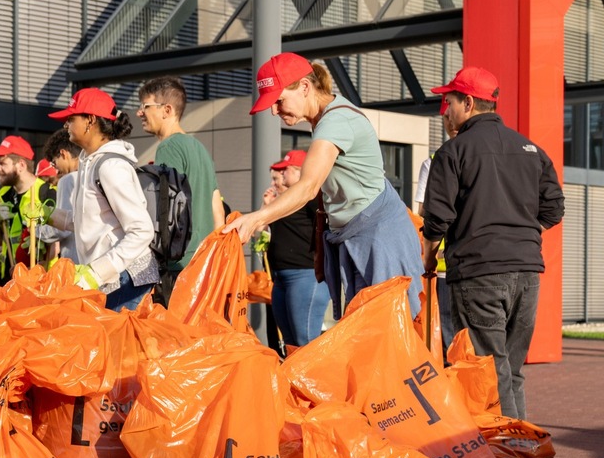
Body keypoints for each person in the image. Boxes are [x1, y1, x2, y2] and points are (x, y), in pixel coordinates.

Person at [225, 53, 423, 319]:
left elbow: (308, 187)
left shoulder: (335, 121)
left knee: (386, 336)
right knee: (367, 336)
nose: (274, 111)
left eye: (279, 101)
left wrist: (255, 219)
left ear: (305, 87)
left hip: (379, 238)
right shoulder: (323, 120)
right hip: (359, 236)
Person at [422, 66, 565, 420]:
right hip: (527, 273)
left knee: (490, 371)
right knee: (511, 370)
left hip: (479, 273)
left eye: (449, 101)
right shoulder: (530, 149)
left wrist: (428, 257)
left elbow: (437, 218)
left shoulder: (453, 152)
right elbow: (554, 207)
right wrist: (518, 234)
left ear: (468, 102)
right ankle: (522, 457)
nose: (446, 110)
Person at [48, 88, 157, 311]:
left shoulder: (111, 166)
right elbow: (86, 221)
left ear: (90, 120)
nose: (65, 125)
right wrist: (49, 215)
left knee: (119, 346)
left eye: (70, 118)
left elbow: (141, 230)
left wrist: (98, 271)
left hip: (128, 280)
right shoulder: (90, 163)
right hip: (111, 279)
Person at [137, 75, 223, 275]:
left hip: (178, 260)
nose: (139, 112)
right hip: (204, 258)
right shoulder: (199, 148)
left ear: (167, 110)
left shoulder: (169, 147)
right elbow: (218, 210)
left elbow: (166, 208)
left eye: (145, 106)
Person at [261, 150, 329, 347]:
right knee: (290, 342)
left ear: (300, 171)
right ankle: (292, 379)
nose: (281, 175)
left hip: (305, 275)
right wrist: (267, 207)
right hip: (282, 277)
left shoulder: (311, 197)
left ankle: (316, 378)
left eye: (286, 171)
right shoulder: (287, 198)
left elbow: (326, 226)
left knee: (305, 342)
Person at [413, 109, 461, 359]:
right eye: (444, 118)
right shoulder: (433, 161)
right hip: (444, 265)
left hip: (468, 263)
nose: (449, 123)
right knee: (449, 332)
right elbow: (423, 209)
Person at [0, 134, 55, 278]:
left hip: (40, 278)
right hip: (10, 275)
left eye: (3, 164)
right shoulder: (3, 194)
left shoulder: (46, 193)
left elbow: (54, 242)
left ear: (21, 165)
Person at [36, 128, 82, 263]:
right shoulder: (93, 175)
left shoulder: (68, 180)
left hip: (76, 262)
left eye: (54, 163)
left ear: (63, 154)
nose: (56, 170)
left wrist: (36, 230)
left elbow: (63, 228)